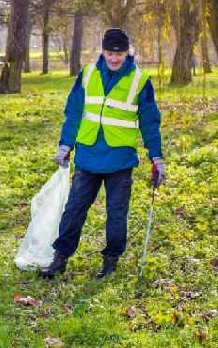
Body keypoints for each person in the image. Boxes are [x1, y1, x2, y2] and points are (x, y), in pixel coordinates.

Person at [40, 28, 165, 279]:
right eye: (110, 53)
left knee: (116, 213)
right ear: (103, 51)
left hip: (120, 160)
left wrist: (157, 157)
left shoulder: (140, 81)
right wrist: (66, 145)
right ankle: (60, 258)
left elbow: (150, 122)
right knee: (74, 208)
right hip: (87, 156)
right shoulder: (88, 74)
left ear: (127, 52)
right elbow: (74, 112)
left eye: (119, 53)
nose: (114, 58)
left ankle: (110, 260)